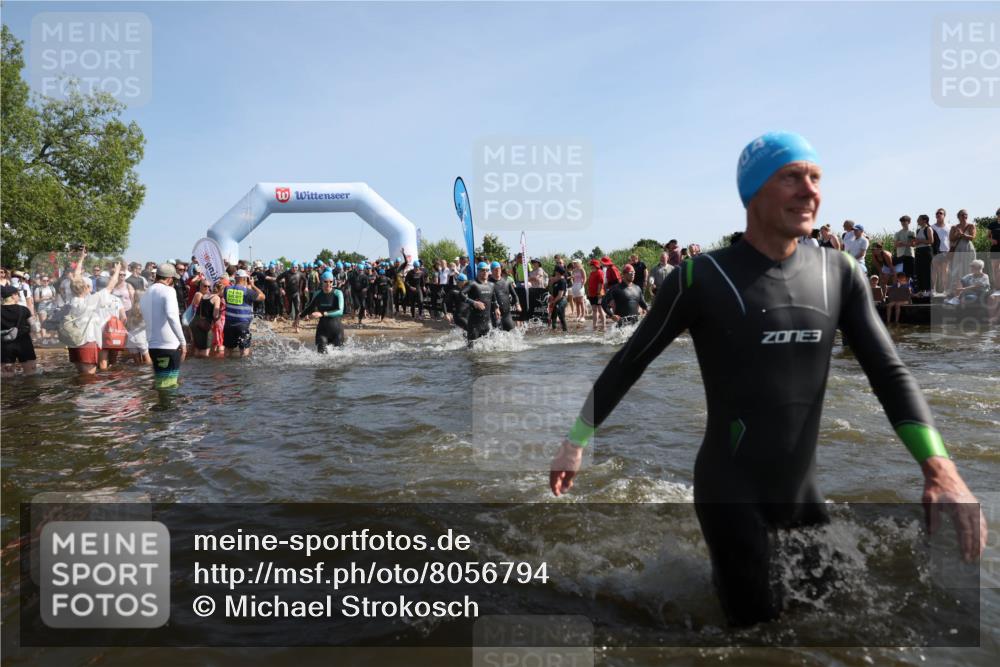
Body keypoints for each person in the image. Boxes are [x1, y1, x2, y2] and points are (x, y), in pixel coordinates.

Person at [549, 131, 987, 627]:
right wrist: (576, 441)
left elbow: (888, 371)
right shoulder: (698, 277)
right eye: (791, 177)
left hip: (802, 495)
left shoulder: (840, 271)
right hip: (728, 492)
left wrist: (940, 468)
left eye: (816, 178)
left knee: (840, 622)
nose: (809, 191)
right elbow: (630, 362)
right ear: (753, 191)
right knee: (756, 635)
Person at [62, 251, 122, 375]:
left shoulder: (71, 298)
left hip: (73, 342)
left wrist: (81, 259)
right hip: (86, 342)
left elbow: (76, 276)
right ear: (86, 288)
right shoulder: (91, 301)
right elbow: (111, 286)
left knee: (80, 375)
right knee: (89, 378)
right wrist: (117, 271)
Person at [139, 263, 186, 389]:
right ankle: (168, 407)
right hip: (169, 345)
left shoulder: (146, 293)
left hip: (153, 346)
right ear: (170, 278)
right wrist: (183, 342)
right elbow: (172, 316)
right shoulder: (169, 291)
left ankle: (161, 406)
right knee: (169, 385)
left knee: (161, 383)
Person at [222, 270, 264, 358]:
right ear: (245, 279)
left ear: (235, 278)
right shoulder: (248, 292)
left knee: (228, 351)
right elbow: (262, 296)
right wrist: (252, 285)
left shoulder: (227, 289)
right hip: (243, 325)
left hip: (229, 324)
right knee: (244, 351)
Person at [302, 271, 345, 352]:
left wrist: (322, 313)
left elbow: (340, 311)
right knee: (321, 356)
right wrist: (299, 317)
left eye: (330, 281)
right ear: (321, 281)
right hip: (322, 331)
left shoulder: (338, 293)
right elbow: (309, 307)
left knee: (339, 358)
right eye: (325, 281)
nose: (328, 284)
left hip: (337, 332)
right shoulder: (317, 294)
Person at [1, 284, 37, 376]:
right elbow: (34, 327)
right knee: (31, 374)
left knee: (7, 377)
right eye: (18, 294)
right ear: (13, 295)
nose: (19, 297)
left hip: (4, 346)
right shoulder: (24, 310)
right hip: (24, 343)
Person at [463, 262, 499, 347]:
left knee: (488, 351)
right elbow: (461, 294)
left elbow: (493, 297)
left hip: (487, 323)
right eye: (483, 270)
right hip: (474, 324)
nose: (485, 272)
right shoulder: (472, 283)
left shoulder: (491, 284)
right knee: (471, 352)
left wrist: (496, 307)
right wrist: (474, 302)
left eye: (487, 270)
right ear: (478, 271)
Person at [947, 209, 978, 293]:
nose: (965, 216)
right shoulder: (954, 227)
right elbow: (951, 239)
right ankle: (957, 288)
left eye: (966, 215)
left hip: (968, 248)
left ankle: (969, 288)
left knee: (969, 267)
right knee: (957, 268)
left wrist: (963, 235)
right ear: (958, 217)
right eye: (962, 215)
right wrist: (957, 235)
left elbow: (973, 237)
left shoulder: (971, 225)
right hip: (958, 249)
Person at [190, 279, 221, 358]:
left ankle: (195, 367)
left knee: (197, 349)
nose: (207, 288)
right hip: (205, 326)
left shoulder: (201, 295)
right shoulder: (216, 298)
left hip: (195, 324)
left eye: (208, 286)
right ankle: (203, 369)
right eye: (205, 286)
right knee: (205, 352)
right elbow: (215, 315)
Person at [489, 261, 520, 331]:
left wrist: (517, 304)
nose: (497, 271)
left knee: (513, 334)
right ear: (491, 271)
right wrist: (495, 307)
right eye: (495, 269)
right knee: (496, 335)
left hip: (507, 314)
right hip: (495, 314)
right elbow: (488, 297)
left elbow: (514, 295)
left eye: (499, 269)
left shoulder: (507, 282)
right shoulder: (488, 283)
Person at [913, 214, 936, 295]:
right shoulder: (918, 230)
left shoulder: (928, 228)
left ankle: (929, 290)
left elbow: (931, 241)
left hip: (926, 251)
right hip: (919, 251)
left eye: (919, 219)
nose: (917, 221)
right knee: (919, 271)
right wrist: (915, 242)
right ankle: (921, 290)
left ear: (924, 220)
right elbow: (917, 242)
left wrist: (920, 241)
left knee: (927, 270)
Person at [931, 208, 952, 294]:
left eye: (940, 213)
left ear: (944, 215)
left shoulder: (949, 226)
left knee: (945, 271)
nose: (938, 215)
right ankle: (933, 290)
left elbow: (951, 240)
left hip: (946, 251)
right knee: (934, 270)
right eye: (937, 213)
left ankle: (945, 290)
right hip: (936, 252)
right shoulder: (932, 227)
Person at [586, 259, 606, 331]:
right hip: (592, 294)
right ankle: (595, 325)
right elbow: (589, 283)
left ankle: (604, 325)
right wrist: (588, 292)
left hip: (599, 294)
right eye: (591, 265)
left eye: (592, 265)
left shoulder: (600, 272)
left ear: (595, 265)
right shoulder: (592, 273)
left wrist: (598, 293)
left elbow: (600, 283)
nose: (591, 266)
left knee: (600, 309)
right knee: (594, 310)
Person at [548, 266, 569, 332]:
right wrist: (551, 296)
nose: (554, 272)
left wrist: (553, 301)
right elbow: (552, 291)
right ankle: (554, 330)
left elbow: (560, 295)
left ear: (558, 272)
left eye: (555, 271)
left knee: (560, 315)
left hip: (562, 300)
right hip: (557, 300)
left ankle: (565, 331)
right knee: (553, 316)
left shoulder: (562, 281)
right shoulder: (556, 281)